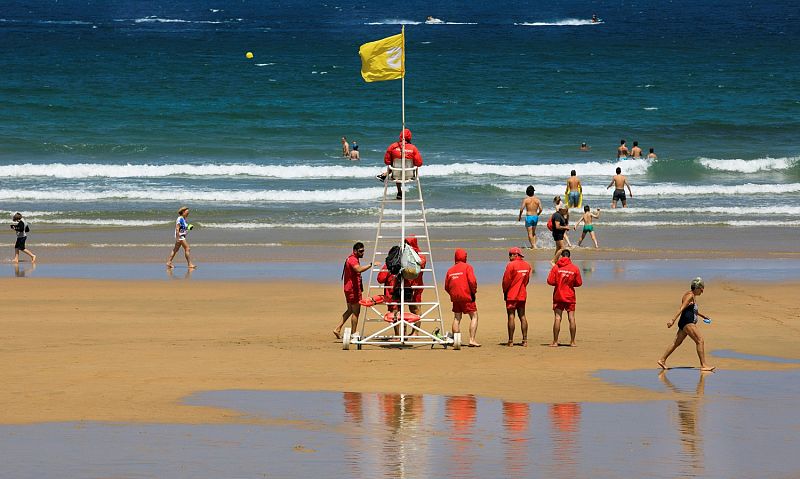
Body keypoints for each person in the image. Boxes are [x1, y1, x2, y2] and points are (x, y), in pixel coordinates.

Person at [658, 278, 715, 371]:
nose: (702, 291)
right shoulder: (689, 296)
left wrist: (703, 316)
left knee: (676, 343)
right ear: (697, 287)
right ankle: (703, 365)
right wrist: (672, 320)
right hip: (687, 322)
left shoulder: (691, 295)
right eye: (701, 289)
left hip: (684, 322)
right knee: (700, 340)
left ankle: (662, 360)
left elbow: (692, 310)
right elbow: (681, 308)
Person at [335, 242, 372, 339]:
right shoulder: (352, 260)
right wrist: (370, 265)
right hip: (353, 289)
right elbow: (358, 269)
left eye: (363, 251)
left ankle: (337, 329)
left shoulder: (351, 258)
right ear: (355, 251)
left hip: (348, 288)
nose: (363, 253)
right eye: (361, 251)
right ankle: (354, 333)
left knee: (350, 309)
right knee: (356, 312)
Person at [445, 248, 480, 347]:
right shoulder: (467, 267)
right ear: (464, 257)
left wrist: (453, 294)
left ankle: (457, 340)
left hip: (456, 297)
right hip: (467, 296)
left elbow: (446, 286)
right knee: (474, 316)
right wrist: (473, 292)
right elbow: (472, 281)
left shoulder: (450, 270)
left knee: (457, 318)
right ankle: (472, 339)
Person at [547, 249, 582, 347]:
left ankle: (555, 341)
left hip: (558, 295)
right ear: (569, 257)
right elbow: (579, 283)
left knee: (558, 318)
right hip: (570, 296)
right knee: (571, 318)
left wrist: (558, 282)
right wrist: (570, 284)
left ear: (562, 256)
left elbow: (550, 281)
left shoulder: (556, 268)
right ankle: (572, 342)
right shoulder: (574, 268)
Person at [377, 129, 423, 200]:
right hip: (410, 175)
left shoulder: (393, 146)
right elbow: (419, 163)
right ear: (410, 137)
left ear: (400, 136)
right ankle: (385, 175)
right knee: (406, 165)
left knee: (395, 165)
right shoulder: (413, 148)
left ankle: (398, 191)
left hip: (396, 175)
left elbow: (387, 161)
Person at [502, 247, 531, 347]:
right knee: (522, 316)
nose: (509, 257)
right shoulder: (527, 265)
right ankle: (525, 340)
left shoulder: (511, 265)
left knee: (511, 316)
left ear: (515, 255)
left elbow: (506, 281)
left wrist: (505, 291)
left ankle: (510, 341)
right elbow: (526, 280)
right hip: (522, 294)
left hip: (511, 294)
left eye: (510, 254)